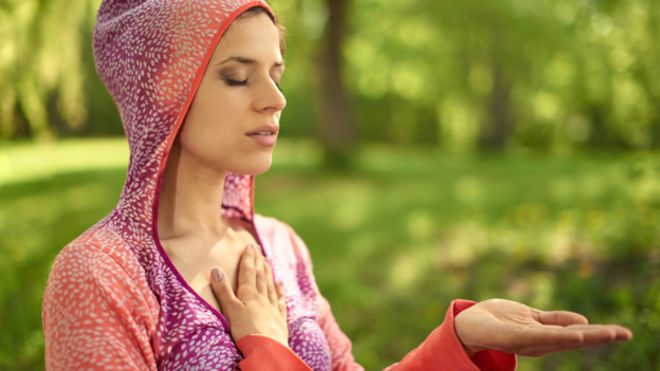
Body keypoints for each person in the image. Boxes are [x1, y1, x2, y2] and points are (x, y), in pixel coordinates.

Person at [41, 0, 633, 370]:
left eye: (275, 73)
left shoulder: (281, 246)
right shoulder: (100, 277)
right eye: (236, 76)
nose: (276, 100)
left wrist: (461, 343)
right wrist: (267, 351)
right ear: (162, 94)